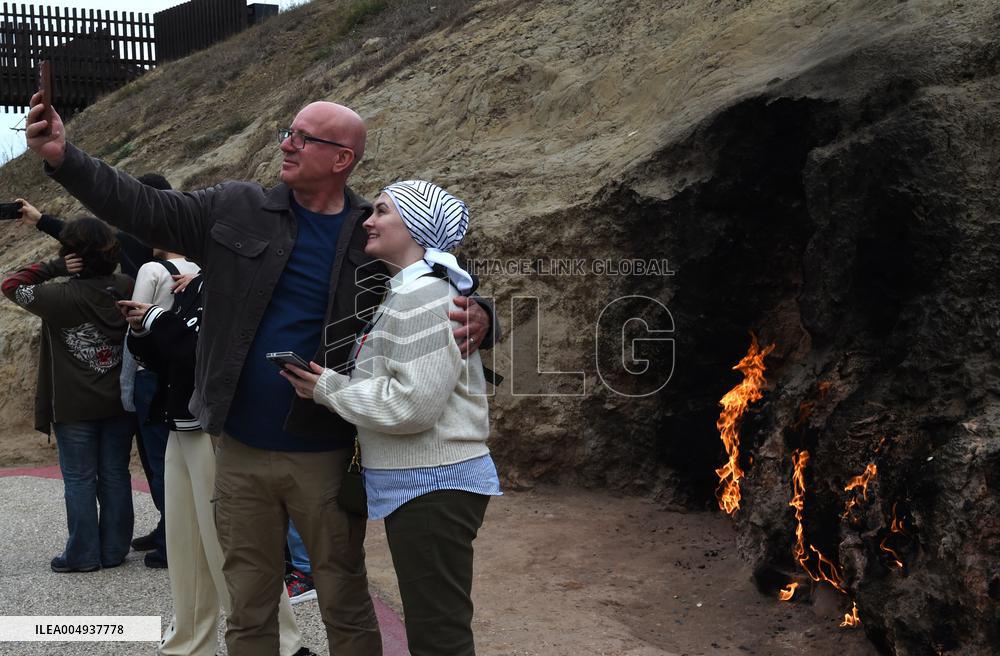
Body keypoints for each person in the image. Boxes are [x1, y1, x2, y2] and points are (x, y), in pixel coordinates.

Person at [25, 94, 498, 656]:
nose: (286, 143)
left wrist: (483, 313)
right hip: (239, 446)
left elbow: (434, 274)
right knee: (247, 603)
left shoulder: (370, 232)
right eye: (287, 131)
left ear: (342, 158)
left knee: (342, 599)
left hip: (325, 447)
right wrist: (65, 156)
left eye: (304, 137)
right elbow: (143, 207)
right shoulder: (235, 207)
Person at [281, 180, 501, 656]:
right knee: (434, 627)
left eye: (381, 211)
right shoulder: (410, 292)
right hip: (427, 484)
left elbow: (413, 406)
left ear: (417, 227)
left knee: (439, 634)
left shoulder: (422, 297)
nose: (368, 220)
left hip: (434, 485)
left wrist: (327, 388)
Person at [120, 282, 314, 656]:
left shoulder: (243, 280)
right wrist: (143, 329)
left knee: (235, 544)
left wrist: (159, 320)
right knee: (184, 546)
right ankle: (189, 643)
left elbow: (209, 355)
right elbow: (170, 356)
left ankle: (283, 645)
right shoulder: (198, 283)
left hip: (222, 430)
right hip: (184, 422)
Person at [2, 217, 135, 573]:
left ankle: (83, 554)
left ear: (72, 255)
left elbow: (11, 284)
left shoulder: (57, 296)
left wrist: (53, 267)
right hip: (119, 402)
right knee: (115, 475)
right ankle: (114, 550)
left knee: (79, 479)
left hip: (74, 407)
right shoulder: (126, 286)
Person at [129, 246, 201, 569]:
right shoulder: (201, 270)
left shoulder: (151, 269)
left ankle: (169, 537)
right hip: (190, 372)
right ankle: (169, 531)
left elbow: (135, 319)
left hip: (153, 369)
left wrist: (124, 386)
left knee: (161, 461)